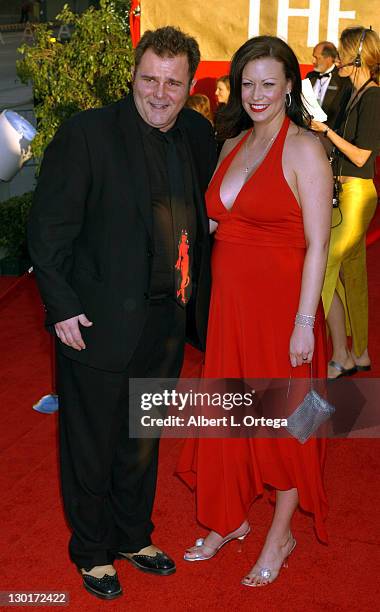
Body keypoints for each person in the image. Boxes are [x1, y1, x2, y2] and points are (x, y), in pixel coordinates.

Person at [28, 26, 216, 600]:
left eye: (173, 83)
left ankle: (134, 536)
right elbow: (49, 228)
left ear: (189, 86)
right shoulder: (88, 134)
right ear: (133, 76)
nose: (159, 93)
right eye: (149, 79)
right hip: (96, 320)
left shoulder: (196, 133)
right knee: (91, 442)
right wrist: (61, 307)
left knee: (143, 436)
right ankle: (91, 550)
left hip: (166, 321)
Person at [176, 35, 332, 587]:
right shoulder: (231, 144)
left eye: (269, 83)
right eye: (248, 83)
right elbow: (217, 223)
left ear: (291, 85)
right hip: (230, 313)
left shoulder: (306, 149)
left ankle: (280, 535)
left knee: (283, 428)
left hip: (283, 316)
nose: (258, 93)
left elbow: (319, 243)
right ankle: (229, 519)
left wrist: (303, 324)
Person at [311, 27, 380, 379]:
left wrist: (327, 134)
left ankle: (327, 352)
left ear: (357, 57)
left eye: (343, 52)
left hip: (357, 194)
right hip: (344, 192)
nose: (337, 58)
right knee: (352, 274)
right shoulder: (354, 94)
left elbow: (361, 155)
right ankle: (358, 353)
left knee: (323, 267)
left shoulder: (372, 98)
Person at [306, 41, 352, 129]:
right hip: (306, 130)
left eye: (316, 57)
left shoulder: (343, 80)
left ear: (328, 59)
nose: (313, 61)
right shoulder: (310, 76)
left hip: (329, 132)